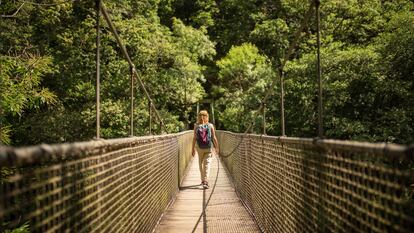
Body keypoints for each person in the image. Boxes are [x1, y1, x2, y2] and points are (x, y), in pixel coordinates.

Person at [191, 110, 219, 189]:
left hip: (199, 148)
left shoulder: (196, 126)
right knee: (207, 164)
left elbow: (194, 138)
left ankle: (203, 180)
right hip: (208, 147)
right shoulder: (210, 125)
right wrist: (217, 147)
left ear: (198, 117)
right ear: (207, 117)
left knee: (200, 164)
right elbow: (213, 137)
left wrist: (192, 149)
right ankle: (206, 181)